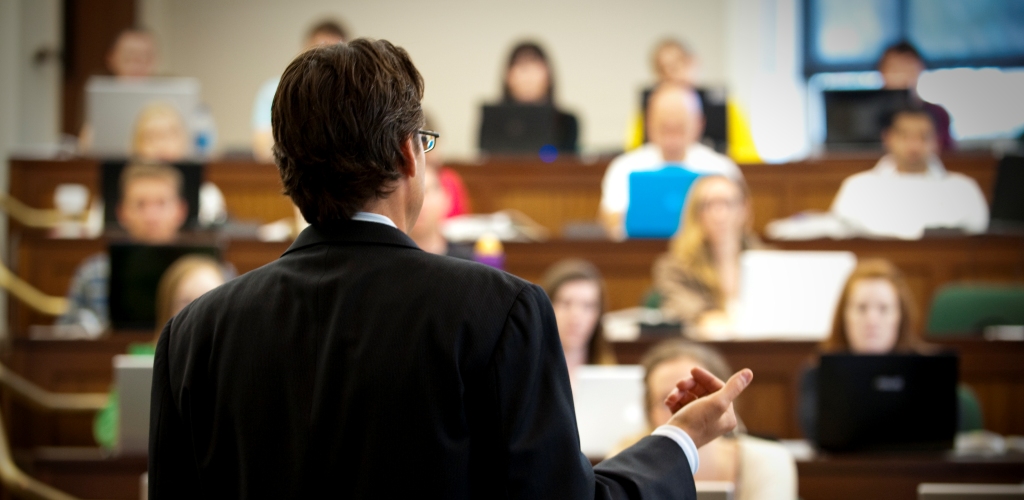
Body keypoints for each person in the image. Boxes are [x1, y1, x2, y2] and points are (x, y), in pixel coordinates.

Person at [148, 38, 753, 498]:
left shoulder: (192, 334)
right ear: (409, 155)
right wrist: (681, 439)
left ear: (286, 170)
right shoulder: (500, 311)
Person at [798, 259, 984, 441]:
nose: (872, 320)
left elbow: (948, 425)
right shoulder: (818, 372)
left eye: (884, 309)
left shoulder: (929, 372)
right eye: (861, 308)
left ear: (900, 316)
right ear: (844, 316)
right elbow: (816, 432)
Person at [610, 341, 797, 500]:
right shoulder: (624, 461)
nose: (684, 410)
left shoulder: (769, 460)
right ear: (649, 411)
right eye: (666, 400)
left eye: (695, 395)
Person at [93, 254, 227, 448]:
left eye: (210, 300)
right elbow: (108, 432)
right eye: (186, 301)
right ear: (167, 308)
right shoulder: (140, 358)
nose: (198, 312)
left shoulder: (233, 363)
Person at [56, 163, 189, 334]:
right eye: (140, 204)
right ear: (122, 212)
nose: (151, 216)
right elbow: (64, 338)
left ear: (181, 211)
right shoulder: (92, 273)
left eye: (161, 203)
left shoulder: (211, 273)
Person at [601, 84, 742, 240]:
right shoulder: (624, 168)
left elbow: (740, 222)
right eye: (664, 128)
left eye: (680, 128)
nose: (672, 139)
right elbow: (611, 222)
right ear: (648, 123)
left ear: (699, 124)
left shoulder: (721, 168)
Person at [830, 107, 989, 239]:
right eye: (905, 136)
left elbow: (977, 235)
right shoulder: (858, 186)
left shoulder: (962, 188)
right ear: (888, 138)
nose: (914, 146)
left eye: (923, 137)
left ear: (936, 141)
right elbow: (842, 234)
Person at [652, 175, 760, 338]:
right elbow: (689, 311)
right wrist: (708, 319)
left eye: (728, 203)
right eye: (709, 205)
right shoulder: (674, 267)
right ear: (695, 213)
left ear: (744, 208)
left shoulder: (769, 259)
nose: (720, 214)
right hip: (705, 352)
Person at [251, 19, 348, 162]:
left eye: (333, 52)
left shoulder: (353, 95)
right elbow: (263, 148)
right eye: (319, 50)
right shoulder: (273, 91)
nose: (326, 60)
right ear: (304, 50)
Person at [130, 103, 227, 226]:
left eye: (168, 135)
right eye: (151, 137)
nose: (160, 145)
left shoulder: (207, 195)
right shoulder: (121, 194)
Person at [479, 41, 579, 154]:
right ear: (507, 76)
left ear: (548, 75)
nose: (528, 76)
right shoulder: (493, 121)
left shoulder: (566, 122)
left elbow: (569, 165)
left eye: (535, 66)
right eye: (522, 67)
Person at [541, 259, 616, 381]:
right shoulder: (527, 372)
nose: (575, 315)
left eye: (588, 305)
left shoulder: (611, 376)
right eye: (565, 303)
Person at [877, 41, 954, 151]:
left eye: (908, 68)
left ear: (921, 69)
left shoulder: (938, 113)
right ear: (882, 72)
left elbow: (949, 155)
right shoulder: (866, 113)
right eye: (894, 69)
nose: (901, 76)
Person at [626, 39, 701, 150]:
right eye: (662, 69)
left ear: (690, 63)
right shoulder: (647, 106)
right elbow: (632, 148)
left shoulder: (721, 104)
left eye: (675, 66)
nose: (669, 74)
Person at [408, 163, 473, 259]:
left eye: (425, 192)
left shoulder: (469, 264)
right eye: (410, 193)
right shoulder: (386, 262)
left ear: (446, 199)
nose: (417, 203)